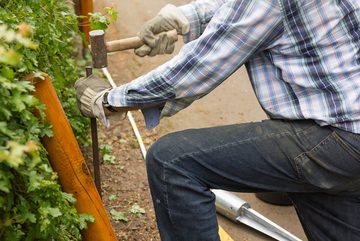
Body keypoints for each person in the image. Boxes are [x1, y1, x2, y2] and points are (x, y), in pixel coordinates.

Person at [75, 0, 360, 240]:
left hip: (335, 137)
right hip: (350, 136)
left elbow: (200, 67)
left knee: (172, 162)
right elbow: (245, 10)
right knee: (323, 190)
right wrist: (185, 18)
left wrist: (111, 100)